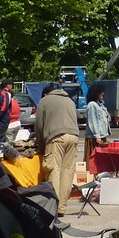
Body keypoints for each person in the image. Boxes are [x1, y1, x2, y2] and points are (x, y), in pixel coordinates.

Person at [35, 84, 80, 217]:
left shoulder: (45, 101)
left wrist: (41, 146)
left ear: (45, 94)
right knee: (67, 171)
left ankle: (53, 207)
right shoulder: (70, 101)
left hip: (56, 137)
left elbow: (39, 125)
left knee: (54, 170)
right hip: (74, 137)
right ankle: (61, 208)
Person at [85, 82, 111, 162]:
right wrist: (97, 136)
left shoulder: (100, 105)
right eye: (101, 91)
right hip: (94, 138)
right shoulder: (92, 105)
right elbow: (93, 121)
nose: (103, 93)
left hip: (102, 136)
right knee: (93, 159)